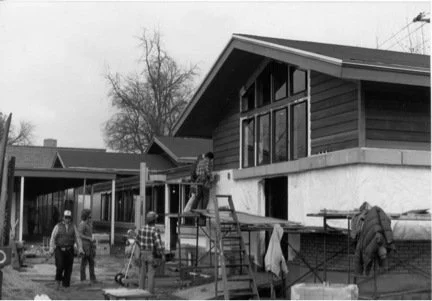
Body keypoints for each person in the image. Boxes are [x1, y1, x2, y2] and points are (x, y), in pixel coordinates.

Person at [49, 210, 84, 291]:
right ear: (63, 217)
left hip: (69, 250)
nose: (67, 219)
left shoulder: (73, 226)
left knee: (68, 268)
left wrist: (80, 249)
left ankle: (66, 286)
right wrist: (51, 248)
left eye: (68, 218)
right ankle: (57, 282)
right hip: (59, 249)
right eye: (66, 217)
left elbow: (77, 238)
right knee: (60, 266)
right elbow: (53, 237)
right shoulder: (58, 226)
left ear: (70, 218)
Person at [137, 211, 165, 294]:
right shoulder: (155, 230)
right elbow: (159, 245)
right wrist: (162, 255)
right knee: (150, 275)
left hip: (142, 254)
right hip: (151, 255)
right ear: (154, 221)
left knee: (142, 274)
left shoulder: (141, 229)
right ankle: (149, 294)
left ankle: (140, 293)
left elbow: (137, 242)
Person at [78, 209, 97, 284]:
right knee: (84, 262)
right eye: (89, 216)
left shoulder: (89, 224)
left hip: (90, 246)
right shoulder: (82, 224)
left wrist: (92, 241)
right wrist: (89, 238)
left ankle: (92, 278)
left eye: (90, 216)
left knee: (91, 262)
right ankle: (83, 279)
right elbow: (80, 234)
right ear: (86, 216)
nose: (90, 217)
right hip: (85, 246)